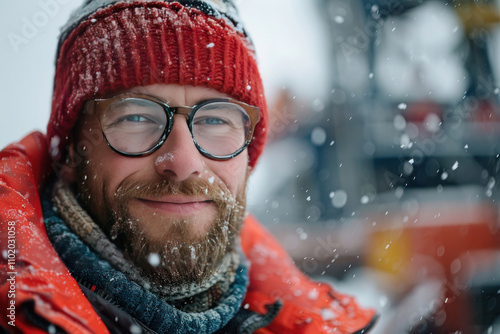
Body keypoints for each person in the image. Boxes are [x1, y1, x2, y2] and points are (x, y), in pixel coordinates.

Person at [0, 1, 376, 333]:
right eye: (135, 117)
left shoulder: (306, 324)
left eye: (215, 121)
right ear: (68, 153)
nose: (182, 162)